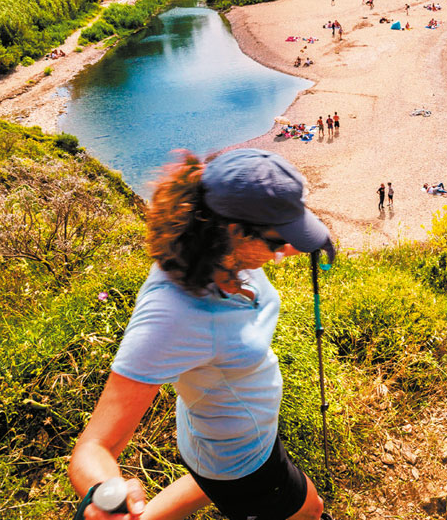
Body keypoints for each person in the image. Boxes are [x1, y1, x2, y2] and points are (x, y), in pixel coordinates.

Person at [68, 149, 335, 520]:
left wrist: (302, 233)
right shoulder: (173, 314)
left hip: (214, 439)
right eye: (277, 243)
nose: (287, 251)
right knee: (311, 509)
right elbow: (95, 446)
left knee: (207, 480)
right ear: (233, 231)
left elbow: (281, 239)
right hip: (243, 460)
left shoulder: (220, 255)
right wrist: (103, 497)